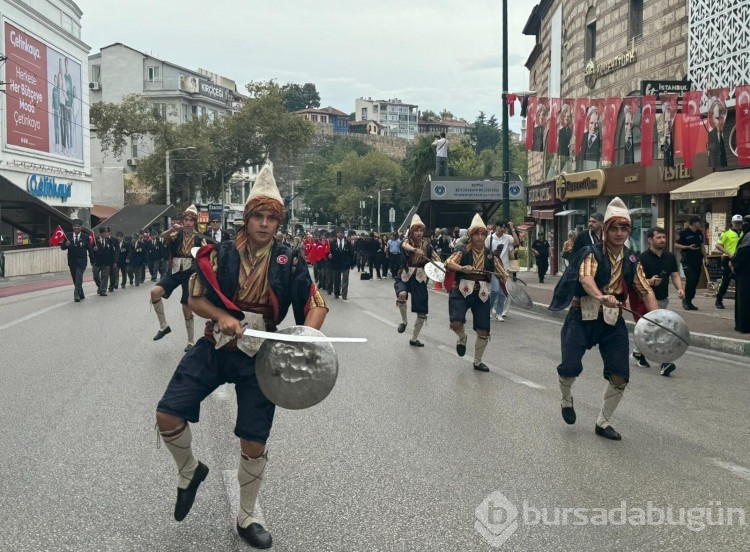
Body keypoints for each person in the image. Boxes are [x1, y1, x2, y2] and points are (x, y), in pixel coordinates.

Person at [155, 162, 327, 549]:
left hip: (261, 355)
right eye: (258, 217)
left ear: (279, 223)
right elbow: (196, 298)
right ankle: (189, 470)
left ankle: (247, 516)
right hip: (216, 346)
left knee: (254, 441)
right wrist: (222, 317)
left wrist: (307, 335)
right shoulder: (218, 255)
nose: (265, 224)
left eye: (272, 218)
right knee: (167, 413)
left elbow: (315, 303)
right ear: (247, 219)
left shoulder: (291, 259)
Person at [549, 197, 657, 440]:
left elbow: (644, 289)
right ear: (605, 230)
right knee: (570, 367)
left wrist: (657, 317)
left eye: (624, 228)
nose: (619, 234)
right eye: (614, 228)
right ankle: (566, 398)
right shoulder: (591, 253)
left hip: (612, 321)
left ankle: (603, 422)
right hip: (582, 316)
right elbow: (586, 279)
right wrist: (601, 296)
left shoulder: (631, 259)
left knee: (620, 374)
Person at [445, 214, 509, 371]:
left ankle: (478, 361)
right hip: (462, 290)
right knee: (456, 322)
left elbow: (502, 273)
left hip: (482, 293)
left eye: (482, 234)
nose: (480, 237)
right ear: (471, 236)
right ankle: (462, 338)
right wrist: (462, 268)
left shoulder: (490, 255)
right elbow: (448, 262)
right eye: (476, 234)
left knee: (483, 330)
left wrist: (506, 279)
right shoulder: (462, 251)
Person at [150, 206, 207, 351]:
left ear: (194, 223)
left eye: (190, 221)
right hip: (174, 270)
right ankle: (164, 327)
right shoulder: (176, 234)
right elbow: (163, 237)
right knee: (155, 292)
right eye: (186, 220)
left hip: (190, 272)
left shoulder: (200, 238)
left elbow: (206, 257)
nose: (187, 223)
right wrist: (172, 229)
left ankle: (190, 341)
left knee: (186, 306)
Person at [631, 227, 685, 376]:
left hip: (662, 299)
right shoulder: (641, 258)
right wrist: (650, 281)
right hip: (645, 300)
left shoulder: (669, 257)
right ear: (650, 240)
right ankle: (664, 362)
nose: (662, 240)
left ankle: (637, 352)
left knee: (650, 330)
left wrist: (680, 289)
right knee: (659, 330)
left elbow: (674, 275)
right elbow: (636, 281)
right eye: (659, 237)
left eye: (664, 237)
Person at [395, 215, 442, 346]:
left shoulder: (427, 245)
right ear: (412, 231)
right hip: (405, 274)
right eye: (416, 230)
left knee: (422, 311)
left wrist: (442, 265)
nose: (419, 233)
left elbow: (436, 259)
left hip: (420, 278)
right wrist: (416, 250)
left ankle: (414, 338)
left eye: (421, 231)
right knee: (402, 294)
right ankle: (404, 321)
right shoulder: (407, 241)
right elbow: (405, 246)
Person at [674, 215, 706, 311]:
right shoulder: (684, 233)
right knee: (691, 279)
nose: (700, 224)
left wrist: (706, 257)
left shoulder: (700, 233)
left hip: (697, 260)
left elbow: (702, 245)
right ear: (693, 223)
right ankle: (686, 300)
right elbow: (676, 244)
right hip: (687, 260)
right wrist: (687, 247)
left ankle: (690, 300)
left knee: (695, 280)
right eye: (698, 222)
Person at [714, 215, 745, 309]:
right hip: (727, 258)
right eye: (736, 223)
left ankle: (740, 300)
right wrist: (728, 253)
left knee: (741, 280)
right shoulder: (726, 234)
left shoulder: (744, 233)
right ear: (732, 223)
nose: (738, 225)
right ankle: (719, 299)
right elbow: (718, 245)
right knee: (726, 280)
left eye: (740, 223)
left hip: (739, 259)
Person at [60, 218, 89, 302]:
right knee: (75, 278)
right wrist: (66, 244)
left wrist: (93, 261)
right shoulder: (67, 235)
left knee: (79, 276)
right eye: (75, 226)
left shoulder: (85, 237)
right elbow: (62, 247)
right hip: (72, 261)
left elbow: (90, 249)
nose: (76, 228)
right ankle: (81, 293)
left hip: (82, 261)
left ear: (81, 228)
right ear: (72, 227)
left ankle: (76, 294)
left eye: (78, 226)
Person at [732, 215, 750, 333]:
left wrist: (734, 264)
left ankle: (743, 325)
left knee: (744, 299)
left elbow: (742, 254)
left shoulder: (748, 237)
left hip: (745, 273)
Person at [90, 226, 116, 296]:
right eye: (106, 232)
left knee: (105, 277)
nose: (107, 234)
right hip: (97, 262)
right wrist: (93, 249)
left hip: (106, 262)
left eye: (107, 232)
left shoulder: (109, 241)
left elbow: (112, 252)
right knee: (95, 276)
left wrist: (114, 262)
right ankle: (100, 286)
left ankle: (103, 290)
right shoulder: (95, 240)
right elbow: (90, 251)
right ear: (102, 233)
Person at [329, 228, 354, 300]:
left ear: (343, 234)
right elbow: (329, 253)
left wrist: (352, 263)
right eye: (338, 233)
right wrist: (329, 257)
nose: (340, 234)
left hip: (345, 264)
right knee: (336, 279)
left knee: (345, 279)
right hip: (335, 264)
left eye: (341, 233)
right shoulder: (332, 243)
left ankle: (344, 294)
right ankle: (336, 292)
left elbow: (351, 254)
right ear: (336, 234)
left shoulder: (348, 243)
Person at [707, 100, 727, 168]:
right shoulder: (711, 134)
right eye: (717, 118)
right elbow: (712, 154)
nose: (720, 121)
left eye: (722, 118)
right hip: (718, 166)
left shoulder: (725, 131)